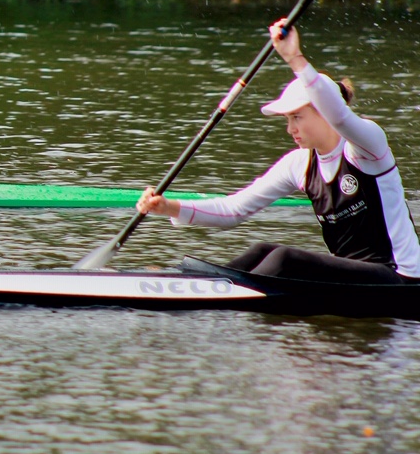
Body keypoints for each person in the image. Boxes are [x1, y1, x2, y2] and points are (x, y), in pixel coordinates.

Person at [136, 17, 420, 283]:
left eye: (297, 117)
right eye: (288, 119)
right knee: (262, 250)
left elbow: (341, 117)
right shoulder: (300, 165)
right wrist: (168, 206)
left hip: (400, 277)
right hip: (354, 279)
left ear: (323, 111)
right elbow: (233, 209)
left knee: (285, 258)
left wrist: (294, 58)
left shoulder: (367, 149)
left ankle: (223, 298)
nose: (290, 129)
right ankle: (187, 283)